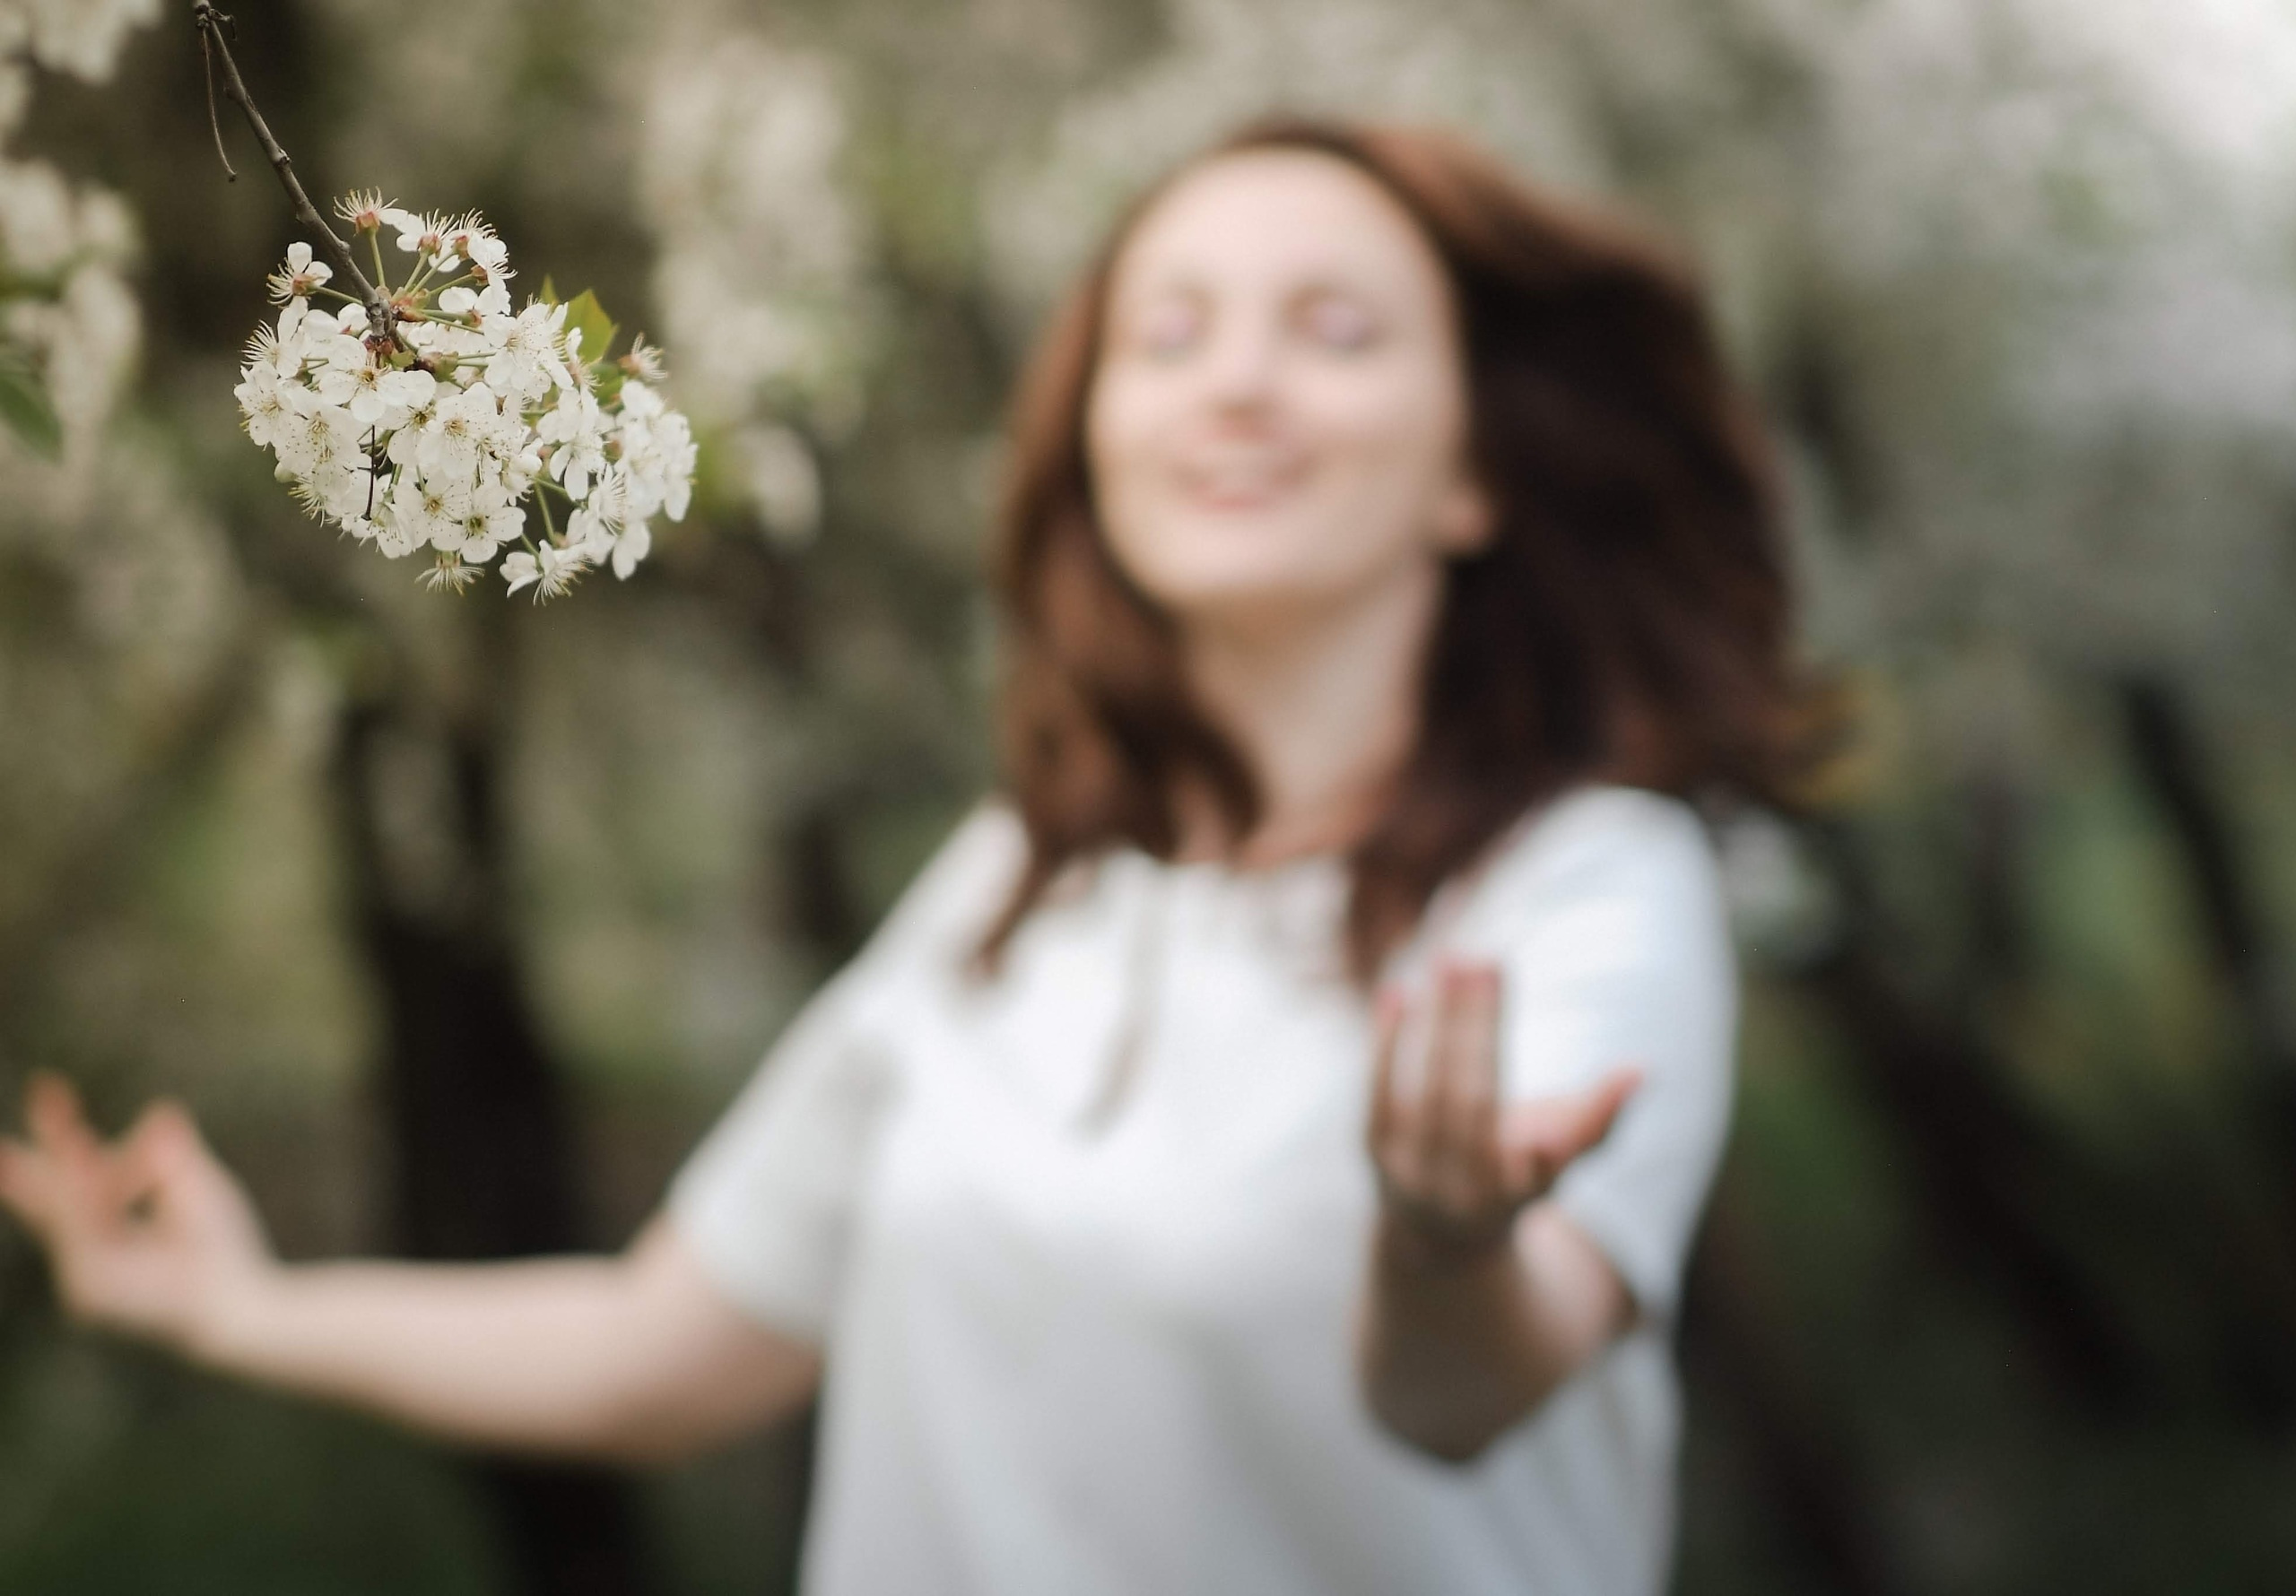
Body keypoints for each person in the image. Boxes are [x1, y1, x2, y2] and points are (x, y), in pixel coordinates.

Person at [0, 117, 1807, 1595]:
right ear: (1097, 444)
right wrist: (238, 1305)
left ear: (1469, 474)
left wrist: (1435, 1242)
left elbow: (1462, 1396)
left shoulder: (1582, 881)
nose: (1233, 384)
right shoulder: (1027, 882)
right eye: (1166, 333)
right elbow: (659, 1345)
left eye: (1331, 330)